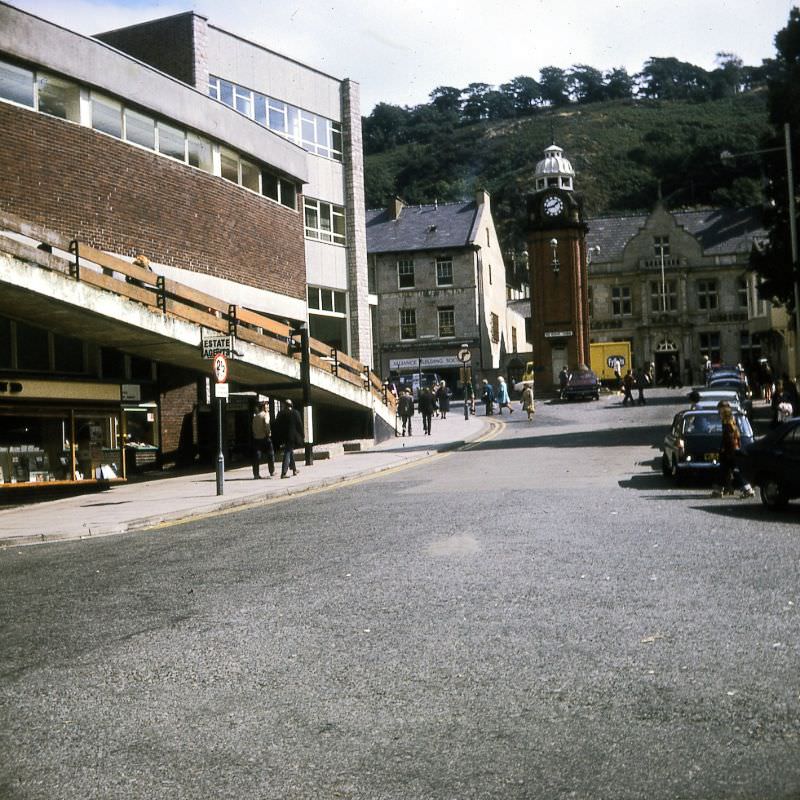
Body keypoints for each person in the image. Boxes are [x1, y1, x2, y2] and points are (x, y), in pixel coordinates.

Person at [711, 401, 754, 499]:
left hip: (730, 452)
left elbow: (729, 439)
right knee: (725, 471)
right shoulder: (732, 422)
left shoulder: (727, 424)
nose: (718, 414)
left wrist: (726, 451)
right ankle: (719, 490)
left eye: (719, 412)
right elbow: (736, 438)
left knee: (732, 471)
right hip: (733, 450)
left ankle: (747, 490)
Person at [272, 398, 304, 478]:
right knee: (288, 452)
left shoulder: (280, 414)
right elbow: (299, 425)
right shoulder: (295, 413)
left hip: (284, 437)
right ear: (291, 405)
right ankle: (283, 472)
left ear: (285, 406)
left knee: (290, 452)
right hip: (292, 437)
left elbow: (276, 425)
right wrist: (302, 434)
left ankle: (294, 469)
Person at [251, 400, 275, 479]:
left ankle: (256, 474)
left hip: (256, 438)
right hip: (265, 438)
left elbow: (253, 428)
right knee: (270, 454)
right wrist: (268, 434)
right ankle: (272, 471)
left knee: (257, 456)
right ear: (263, 407)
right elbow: (267, 426)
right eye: (267, 406)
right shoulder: (265, 415)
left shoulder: (255, 417)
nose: (268, 408)